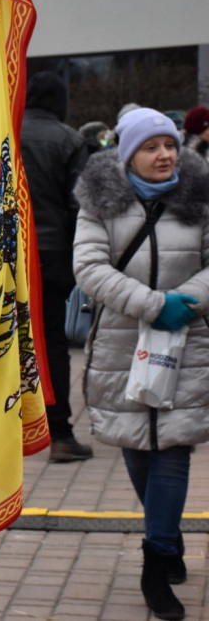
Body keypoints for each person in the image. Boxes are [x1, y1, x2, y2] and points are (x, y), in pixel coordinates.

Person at [73, 107, 209, 620]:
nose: (165, 155)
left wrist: (186, 302)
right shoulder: (100, 203)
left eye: (170, 145)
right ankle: (166, 533)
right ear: (129, 154)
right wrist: (154, 304)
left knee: (172, 449)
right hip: (122, 344)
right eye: (152, 147)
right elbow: (88, 267)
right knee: (136, 447)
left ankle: (156, 563)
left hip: (185, 344)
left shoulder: (200, 198)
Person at [19, 71, 92, 462]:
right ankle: (59, 431)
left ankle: (14, 431)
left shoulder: (5, 132)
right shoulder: (69, 139)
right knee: (52, 344)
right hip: (51, 255)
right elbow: (79, 206)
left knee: (7, 345)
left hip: (4, 259)